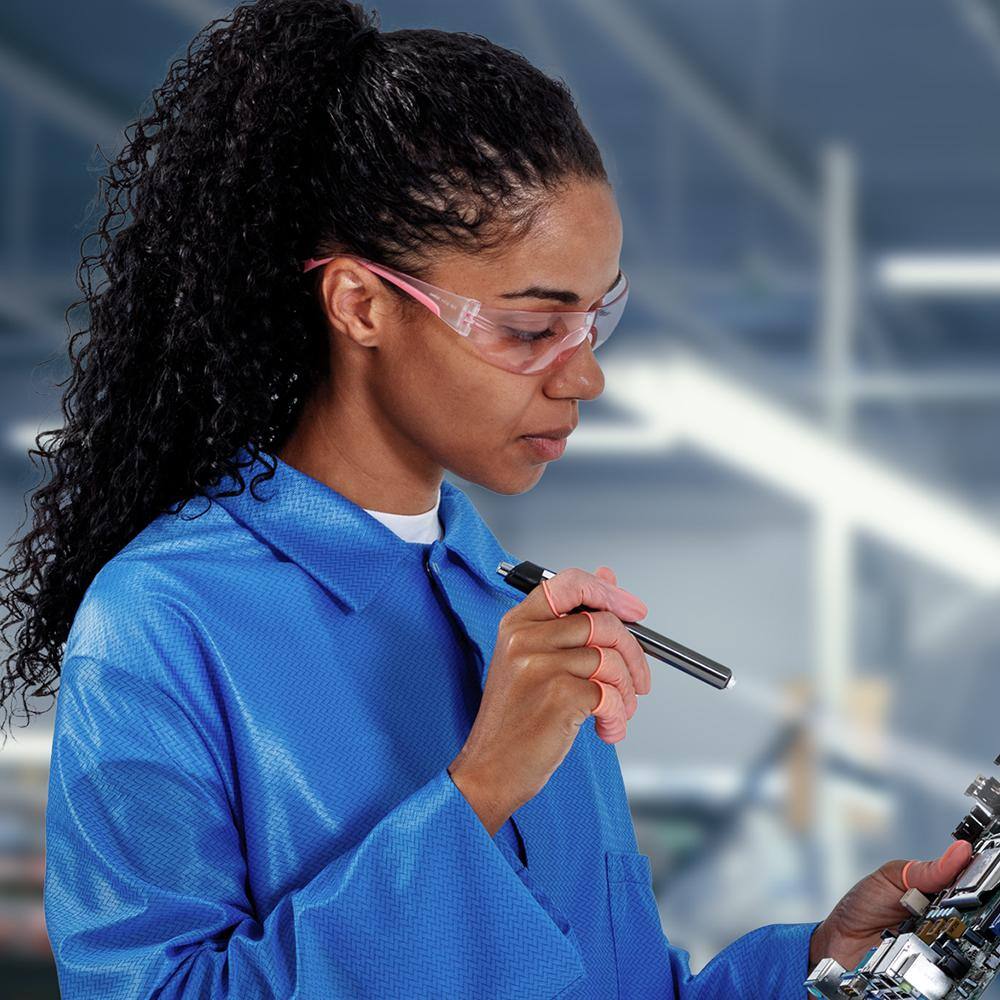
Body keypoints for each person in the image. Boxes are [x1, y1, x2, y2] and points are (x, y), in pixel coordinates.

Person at [0, 1, 972, 996]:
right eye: (528, 327)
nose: (583, 376)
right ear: (361, 304)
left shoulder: (508, 612)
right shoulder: (164, 622)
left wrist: (816, 967)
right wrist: (477, 793)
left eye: (596, 318)